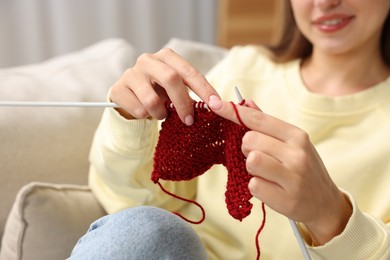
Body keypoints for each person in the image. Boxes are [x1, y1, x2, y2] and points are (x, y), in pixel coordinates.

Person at [69, 0, 390, 259]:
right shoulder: (244, 69)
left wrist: (331, 216)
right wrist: (130, 117)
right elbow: (138, 205)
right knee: (141, 229)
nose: (325, 2)